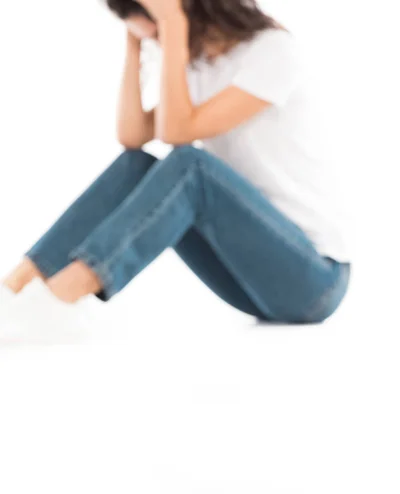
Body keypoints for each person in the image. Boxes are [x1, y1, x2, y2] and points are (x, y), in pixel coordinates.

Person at [1, 0, 351, 341]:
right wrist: (134, 48)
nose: (155, 38)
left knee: (190, 165)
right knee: (135, 166)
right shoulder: (199, 69)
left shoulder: (273, 51)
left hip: (314, 279)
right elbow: (133, 136)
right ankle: (15, 289)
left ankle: (61, 299)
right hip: (252, 286)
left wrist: (172, 22)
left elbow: (177, 134)